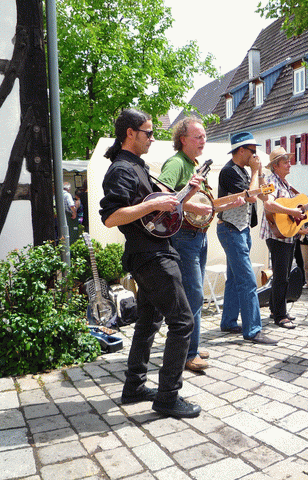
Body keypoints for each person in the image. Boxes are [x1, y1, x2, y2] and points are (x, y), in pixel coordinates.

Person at [99, 108, 202, 419]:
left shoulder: (137, 166)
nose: (153, 138)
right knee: (183, 321)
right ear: (130, 133)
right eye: (148, 133)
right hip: (152, 256)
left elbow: (157, 211)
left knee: (148, 323)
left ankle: (134, 386)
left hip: (148, 253)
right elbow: (111, 217)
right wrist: (157, 202)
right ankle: (169, 396)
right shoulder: (121, 170)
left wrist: (185, 195)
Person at [158, 117, 243, 371]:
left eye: (204, 136)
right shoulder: (176, 163)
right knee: (193, 295)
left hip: (199, 236)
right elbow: (163, 194)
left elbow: (203, 205)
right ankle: (187, 354)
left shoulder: (195, 165)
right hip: (184, 238)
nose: (203, 141)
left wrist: (231, 203)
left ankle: (191, 346)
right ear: (182, 139)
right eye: (198, 137)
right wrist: (190, 198)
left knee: (194, 295)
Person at [216, 132, 278, 344]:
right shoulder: (229, 172)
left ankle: (228, 322)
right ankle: (253, 330)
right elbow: (251, 195)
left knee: (234, 279)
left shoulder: (243, 171)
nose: (255, 155)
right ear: (241, 150)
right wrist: (253, 171)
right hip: (231, 229)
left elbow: (261, 194)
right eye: (252, 151)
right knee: (247, 280)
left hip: (240, 230)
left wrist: (259, 172)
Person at [261, 146, 308, 329]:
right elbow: (269, 205)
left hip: (287, 236)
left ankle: (276, 309)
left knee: (282, 275)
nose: (290, 164)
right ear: (275, 166)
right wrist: (291, 210)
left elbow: (292, 209)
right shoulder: (270, 181)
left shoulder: (285, 184)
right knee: (282, 276)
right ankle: (280, 316)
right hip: (277, 235)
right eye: (286, 162)